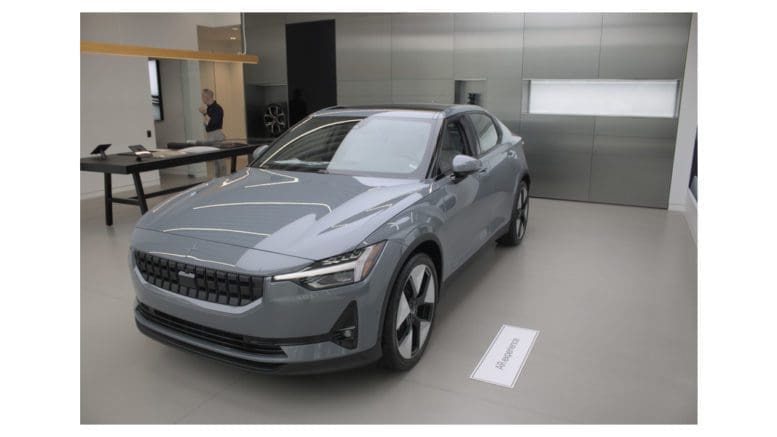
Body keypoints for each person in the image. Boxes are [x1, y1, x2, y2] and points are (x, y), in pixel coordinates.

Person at [198, 89, 227, 176]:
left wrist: (204, 113)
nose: (202, 98)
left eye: (203, 96)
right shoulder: (209, 108)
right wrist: (205, 114)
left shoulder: (217, 108)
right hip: (210, 134)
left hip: (216, 134)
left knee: (220, 160)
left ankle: (223, 179)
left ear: (207, 97)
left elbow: (213, 122)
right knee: (215, 160)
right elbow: (207, 124)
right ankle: (217, 179)